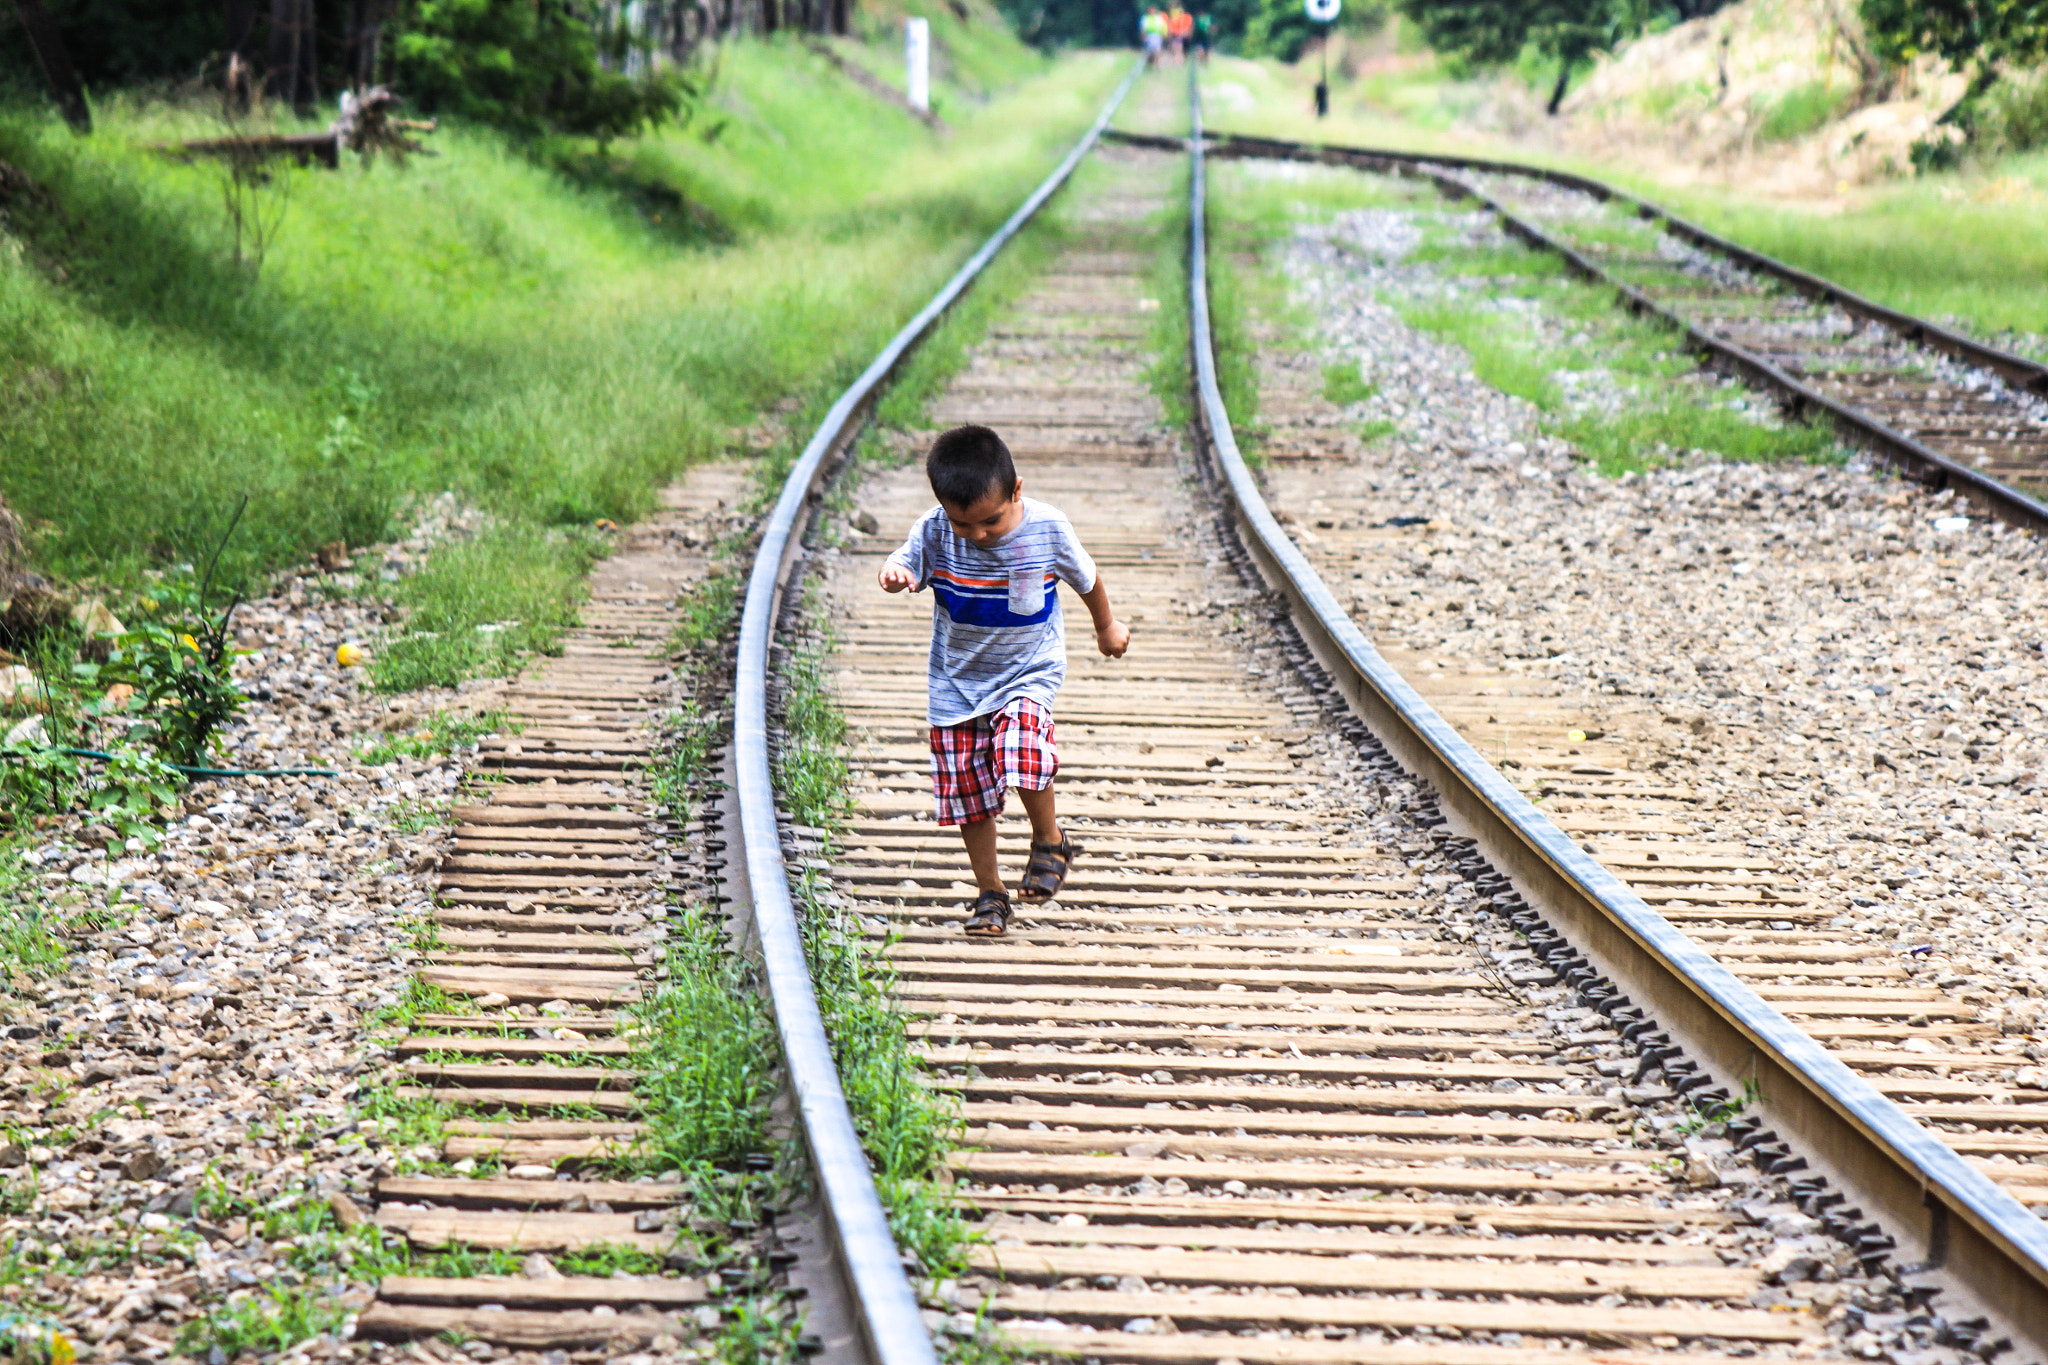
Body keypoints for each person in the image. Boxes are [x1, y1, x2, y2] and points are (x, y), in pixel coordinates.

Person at [878, 425, 1130, 939]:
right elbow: (905, 557)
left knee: (1022, 748)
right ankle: (990, 892)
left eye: (990, 522)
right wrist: (896, 573)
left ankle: (1049, 838)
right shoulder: (935, 529)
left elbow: (1087, 578)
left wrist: (1107, 627)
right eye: (963, 524)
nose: (978, 535)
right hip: (957, 681)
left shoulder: (1047, 527)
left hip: (1027, 669)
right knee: (969, 791)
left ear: (1016, 491)